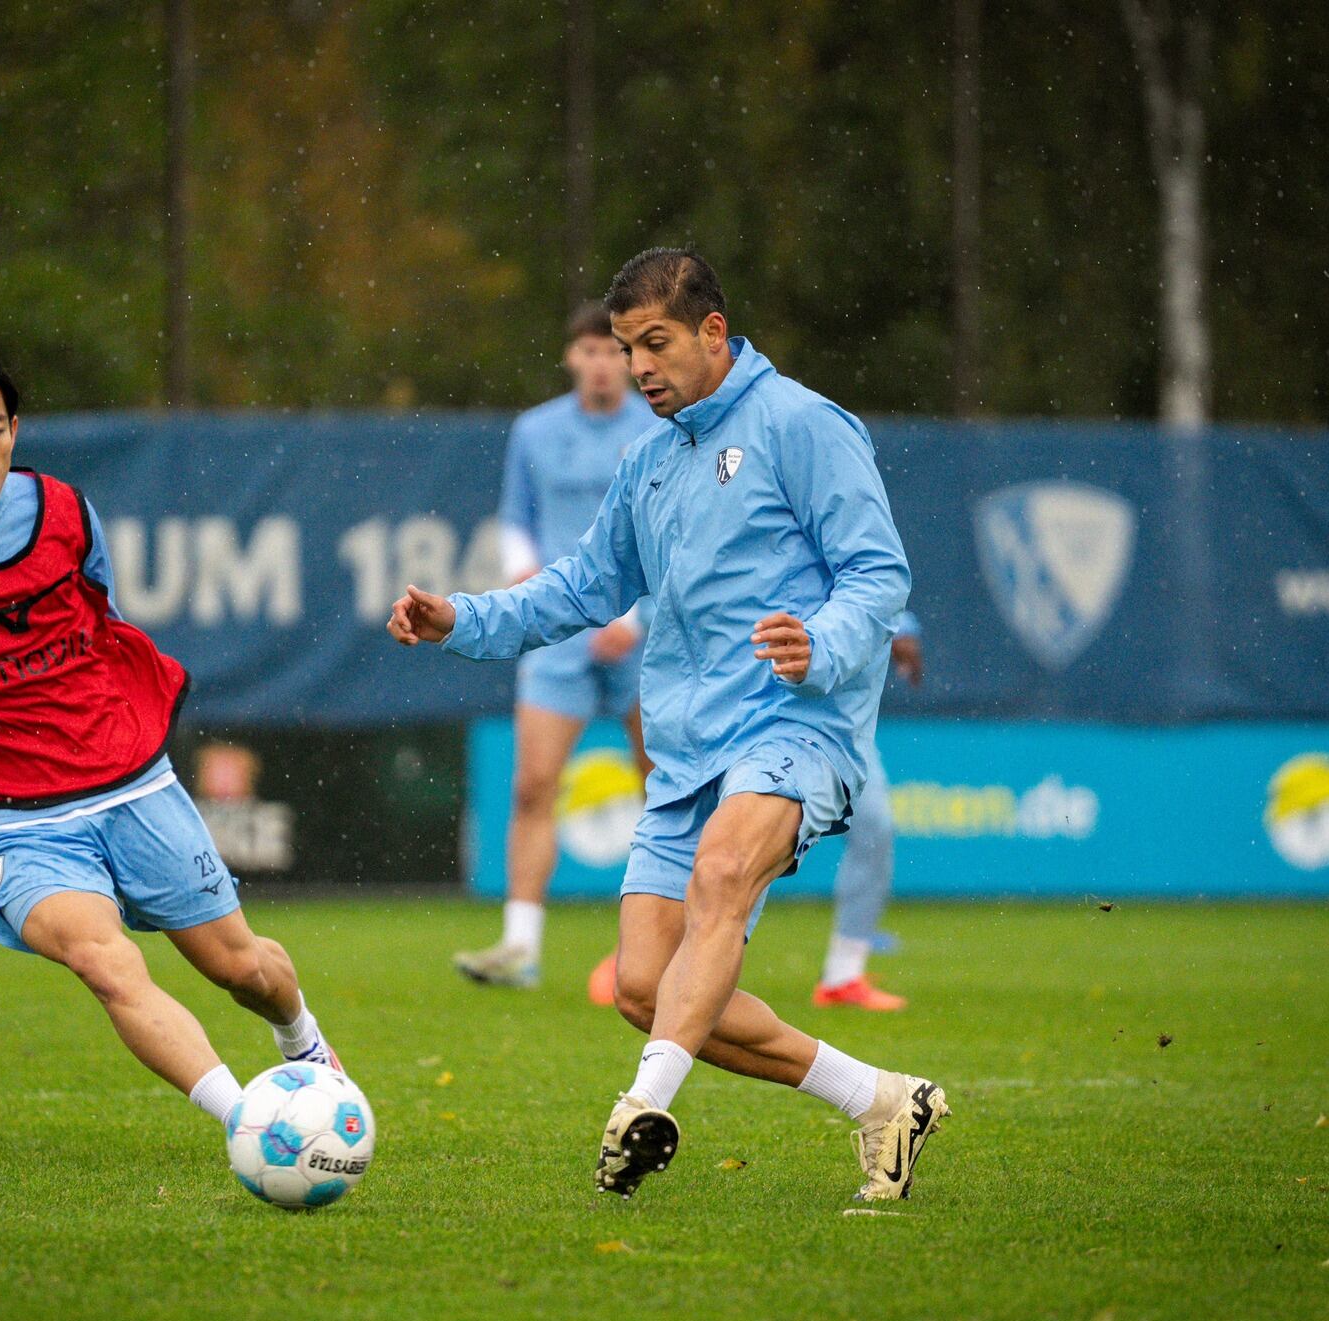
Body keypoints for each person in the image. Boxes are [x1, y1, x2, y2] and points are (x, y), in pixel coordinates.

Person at [391, 249, 949, 1202]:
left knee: (724, 873)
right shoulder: (648, 459)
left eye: (655, 344)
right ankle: (883, 1099)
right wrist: (463, 619)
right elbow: (582, 587)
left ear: (713, 334)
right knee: (647, 988)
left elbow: (878, 574)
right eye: (624, 346)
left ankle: (643, 1105)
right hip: (690, 751)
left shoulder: (804, 425)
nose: (639, 365)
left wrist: (820, 641)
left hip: (796, 725)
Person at [0, 339, 340, 1136]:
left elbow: (107, 621)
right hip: (16, 822)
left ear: (16, 430)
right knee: (106, 960)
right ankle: (253, 1123)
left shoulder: (64, 509)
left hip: (134, 786)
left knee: (243, 968)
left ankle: (304, 1045)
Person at [453, 301, 657, 999]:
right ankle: (520, 945)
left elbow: (674, 531)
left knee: (665, 790)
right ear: (572, 357)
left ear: (629, 358)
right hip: (560, 627)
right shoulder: (535, 430)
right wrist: (524, 577)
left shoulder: (661, 425)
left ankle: (665, 944)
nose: (602, 362)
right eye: (590, 350)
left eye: (614, 350)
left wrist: (633, 613)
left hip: (645, 634)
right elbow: (519, 516)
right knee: (533, 784)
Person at [813, 616, 922, 1010]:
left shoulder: (847, 560)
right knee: (734, 845)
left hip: (843, 726)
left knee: (875, 826)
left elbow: (870, 579)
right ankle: (668, 960)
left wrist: (901, 627)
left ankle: (843, 974)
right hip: (762, 718)